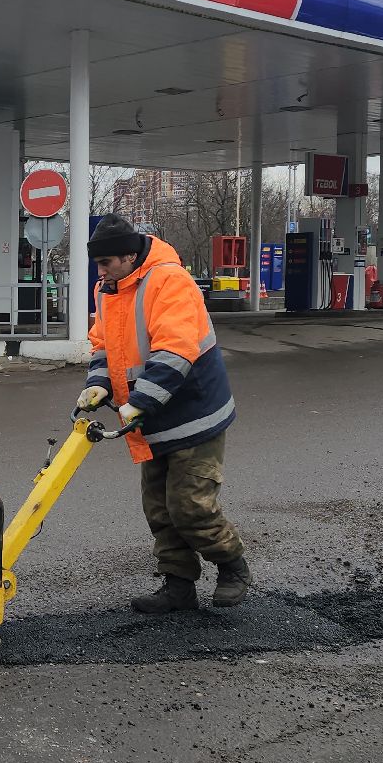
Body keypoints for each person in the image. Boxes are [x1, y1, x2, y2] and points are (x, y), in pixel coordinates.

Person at [76, 213, 248, 613]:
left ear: (129, 256)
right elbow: (103, 344)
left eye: (105, 263)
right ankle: (178, 586)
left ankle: (233, 566)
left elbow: (176, 349)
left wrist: (140, 400)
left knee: (189, 504)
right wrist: (97, 385)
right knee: (159, 507)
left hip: (192, 411)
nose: (99, 273)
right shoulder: (109, 288)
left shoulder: (169, 281)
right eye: (98, 265)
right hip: (149, 416)